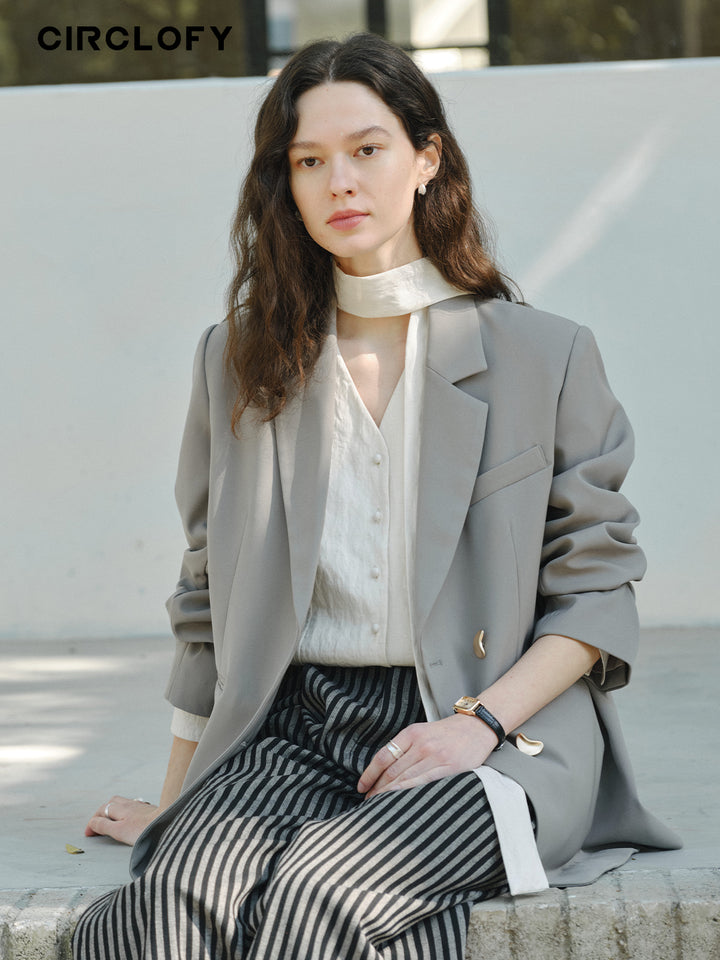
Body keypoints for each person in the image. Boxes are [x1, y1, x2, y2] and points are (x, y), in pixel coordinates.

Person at [73, 32, 680, 960]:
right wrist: (178, 799)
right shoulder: (238, 360)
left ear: (427, 158)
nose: (340, 182)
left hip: (491, 730)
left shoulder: (543, 354)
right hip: (294, 723)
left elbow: (596, 591)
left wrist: (475, 727)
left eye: (366, 149)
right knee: (167, 904)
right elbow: (206, 599)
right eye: (309, 161)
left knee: (321, 891)